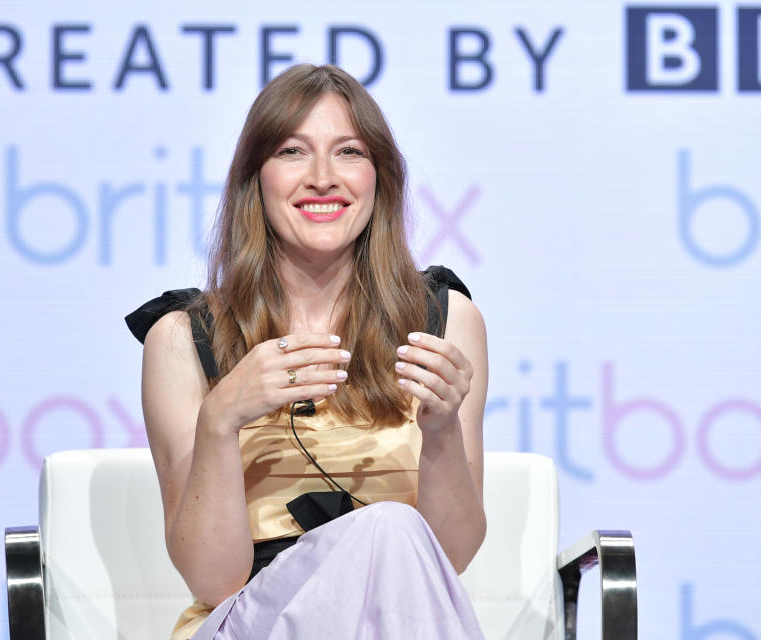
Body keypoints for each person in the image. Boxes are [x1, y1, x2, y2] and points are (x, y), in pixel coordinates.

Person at [126, 63, 489, 639]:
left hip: (402, 610)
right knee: (389, 527)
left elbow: (452, 558)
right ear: (256, 178)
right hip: (249, 616)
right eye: (293, 152)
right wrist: (220, 420)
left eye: (349, 152)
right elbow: (211, 580)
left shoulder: (442, 323)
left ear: (380, 178)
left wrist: (442, 431)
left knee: (393, 533)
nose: (323, 177)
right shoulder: (182, 338)